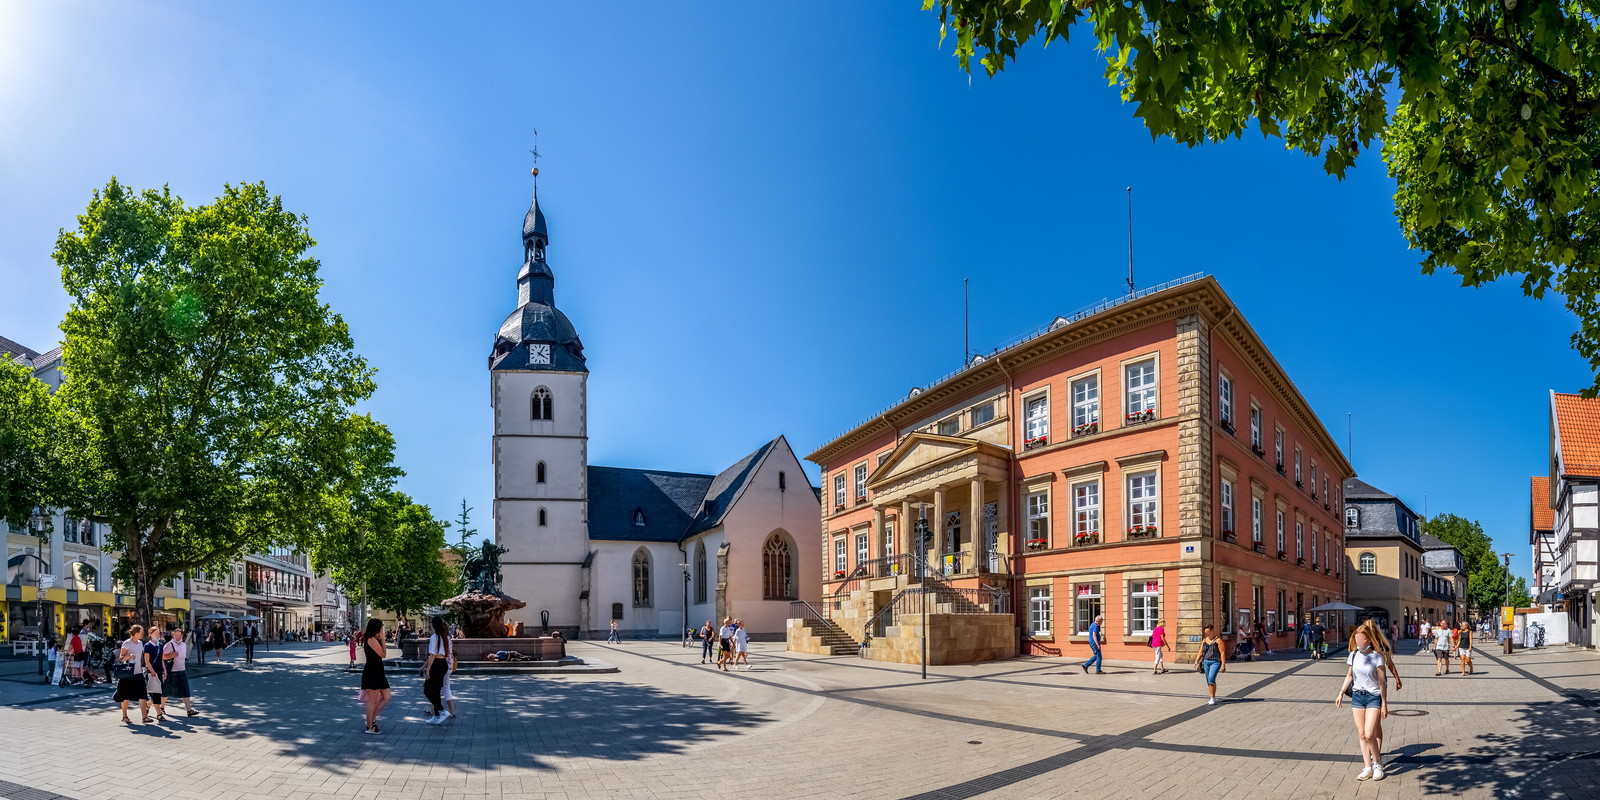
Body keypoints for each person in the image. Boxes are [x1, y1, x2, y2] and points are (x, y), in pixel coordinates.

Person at [1336, 626, 1389, 781]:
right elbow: (1349, 676)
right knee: (1361, 734)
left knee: (1369, 733)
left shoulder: (1377, 657)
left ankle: (1377, 763)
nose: (1358, 641)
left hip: (1373, 697)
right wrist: (1340, 693)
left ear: (1368, 639)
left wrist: (1384, 704)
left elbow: (1382, 683)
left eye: (1361, 638)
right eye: (1356, 638)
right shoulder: (1353, 655)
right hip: (1358, 697)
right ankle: (1367, 767)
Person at [359, 618, 392, 734]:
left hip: (378, 671)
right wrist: (383, 639)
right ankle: (370, 725)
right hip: (373, 671)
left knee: (386, 696)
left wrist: (382, 639)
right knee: (372, 701)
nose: (382, 629)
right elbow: (383, 654)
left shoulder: (373, 639)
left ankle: (372, 720)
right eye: (381, 627)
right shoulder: (371, 639)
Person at [113, 625, 149, 724]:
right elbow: (121, 658)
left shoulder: (140, 643)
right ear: (136, 633)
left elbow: (141, 657)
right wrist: (129, 656)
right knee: (125, 695)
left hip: (138, 672)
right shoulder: (127, 643)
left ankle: (144, 717)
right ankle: (124, 716)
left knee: (142, 694)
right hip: (128, 673)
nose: (142, 634)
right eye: (141, 632)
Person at [422, 616, 453, 725]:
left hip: (436, 664)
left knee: (427, 690)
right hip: (443, 664)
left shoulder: (434, 637)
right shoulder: (446, 637)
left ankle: (442, 710)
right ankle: (436, 715)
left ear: (433, 625)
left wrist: (428, 669)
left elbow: (432, 655)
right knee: (436, 691)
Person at [162, 629, 199, 716]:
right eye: (176, 635)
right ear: (173, 635)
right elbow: (163, 657)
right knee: (166, 692)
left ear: (182, 636)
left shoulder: (183, 645)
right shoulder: (169, 645)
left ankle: (189, 710)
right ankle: (161, 707)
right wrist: (171, 655)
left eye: (180, 635)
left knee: (186, 691)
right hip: (171, 672)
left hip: (182, 670)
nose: (178, 637)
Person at [1193, 624, 1226, 704]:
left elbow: (1222, 653)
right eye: (1205, 633)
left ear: (1212, 631)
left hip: (1215, 662)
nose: (1207, 634)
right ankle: (1212, 697)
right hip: (1206, 661)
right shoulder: (1204, 640)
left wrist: (1223, 664)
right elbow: (1201, 651)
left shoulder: (1218, 640)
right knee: (1208, 680)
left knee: (1211, 679)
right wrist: (1196, 660)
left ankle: (1213, 698)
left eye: (1208, 632)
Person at [144, 627, 168, 721]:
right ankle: (159, 714)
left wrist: (164, 670)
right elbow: (147, 660)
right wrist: (152, 671)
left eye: (159, 633)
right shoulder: (147, 645)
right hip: (151, 672)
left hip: (159, 671)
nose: (158, 635)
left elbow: (161, 659)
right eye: (156, 633)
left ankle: (147, 706)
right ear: (150, 634)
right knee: (156, 693)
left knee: (159, 692)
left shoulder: (160, 645)